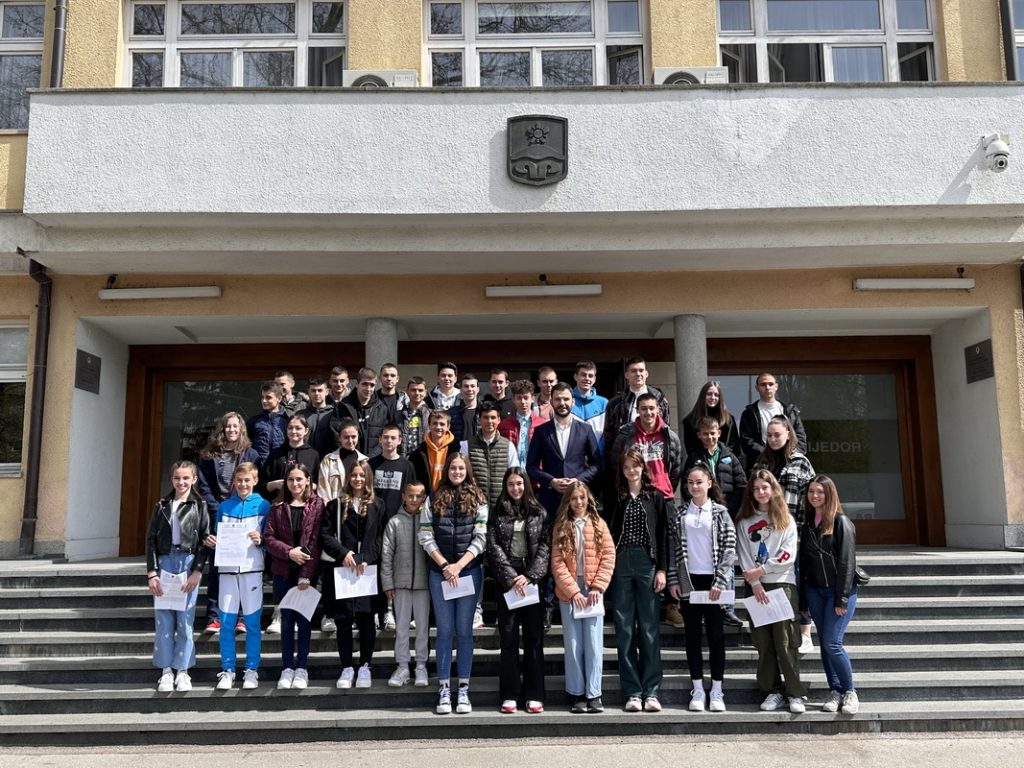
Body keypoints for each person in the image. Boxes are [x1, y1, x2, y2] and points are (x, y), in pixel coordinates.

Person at [418, 452, 488, 715]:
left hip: (468, 572)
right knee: (445, 632)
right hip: (441, 574)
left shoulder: (479, 498)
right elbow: (425, 535)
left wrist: (459, 566)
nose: (457, 472)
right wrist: (446, 565)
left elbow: (481, 537)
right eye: (453, 468)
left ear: (467, 470)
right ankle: (444, 688)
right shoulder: (434, 497)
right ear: (446, 470)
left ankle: (464, 689)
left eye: (461, 468)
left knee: (465, 632)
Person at [736, 468, 806, 714]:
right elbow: (743, 554)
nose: (760, 492)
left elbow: (788, 554)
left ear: (773, 489)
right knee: (763, 642)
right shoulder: (744, 522)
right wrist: (755, 583)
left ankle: (794, 692)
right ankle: (772, 690)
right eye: (756, 489)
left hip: (782, 584)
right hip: (755, 588)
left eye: (765, 487)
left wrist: (763, 570)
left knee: (785, 641)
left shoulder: (786, 519)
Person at [667, 463, 736, 713]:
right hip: (689, 581)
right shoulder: (680, 514)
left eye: (699, 482)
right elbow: (672, 549)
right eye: (690, 483)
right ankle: (697, 689)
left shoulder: (720, 512)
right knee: (693, 637)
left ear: (709, 483)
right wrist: (673, 579)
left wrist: (721, 580)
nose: (694, 486)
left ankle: (716, 689)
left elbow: (729, 547)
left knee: (716, 637)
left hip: (714, 582)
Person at [608, 449, 668, 713]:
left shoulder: (655, 497)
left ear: (643, 468)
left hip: (647, 562)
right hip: (621, 562)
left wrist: (662, 570)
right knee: (624, 629)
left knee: (649, 627)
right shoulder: (616, 496)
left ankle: (651, 690)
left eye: (635, 466)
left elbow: (664, 535)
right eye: (626, 467)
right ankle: (632, 690)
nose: (631, 471)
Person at [487, 467, 551, 714]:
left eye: (519, 484)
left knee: (534, 639)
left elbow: (545, 546)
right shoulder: (497, 513)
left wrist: (531, 575)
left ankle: (535, 694)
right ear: (506, 486)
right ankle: (510, 694)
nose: (516, 488)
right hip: (508, 581)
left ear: (526, 485)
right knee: (509, 638)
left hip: (532, 579)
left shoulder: (539, 512)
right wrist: (511, 578)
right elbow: (493, 547)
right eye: (511, 484)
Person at [145, 460, 211, 693]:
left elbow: (205, 539)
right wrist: (152, 572)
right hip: (165, 562)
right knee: (164, 619)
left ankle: (182, 669)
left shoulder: (200, 505)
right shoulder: (162, 505)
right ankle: (166, 670)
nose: (181, 482)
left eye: (185, 478)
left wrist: (198, 570)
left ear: (193, 479)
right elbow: (151, 539)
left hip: (188, 563)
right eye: (177, 478)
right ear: (171, 479)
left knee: (185, 619)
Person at [551, 480, 615, 714]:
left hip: (593, 591)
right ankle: (577, 693)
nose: (578, 502)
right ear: (568, 502)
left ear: (588, 500)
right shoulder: (561, 526)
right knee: (574, 644)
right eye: (574, 498)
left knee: (594, 644)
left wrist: (597, 587)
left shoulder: (599, 524)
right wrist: (573, 591)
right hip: (570, 592)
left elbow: (608, 555)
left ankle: (594, 693)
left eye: (582, 498)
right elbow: (557, 562)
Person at [320, 460, 383, 690]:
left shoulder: (378, 505)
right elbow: (325, 536)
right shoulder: (335, 505)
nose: (358, 479)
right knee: (344, 621)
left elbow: (381, 538)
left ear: (368, 478)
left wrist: (366, 557)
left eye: (362, 475)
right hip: (343, 570)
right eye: (354, 475)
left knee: (367, 620)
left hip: (366, 570)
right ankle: (347, 666)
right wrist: (344, 553)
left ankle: (365, 665)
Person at [800, 475, 860, 715]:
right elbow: (804, 565)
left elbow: (847, 562)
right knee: (825, 644)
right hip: (814, 592)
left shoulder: (841, 521)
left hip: (838, 591)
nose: (815, 496)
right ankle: (835, 690)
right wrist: (803, 600)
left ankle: (850, 691)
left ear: (829, 494)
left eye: (820, 492)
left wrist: (841, 598)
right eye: (811, 491)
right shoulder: (807, 524)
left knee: (832, 643)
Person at [755, 414, 816, 652]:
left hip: (795, 534)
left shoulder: (801, 462)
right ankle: (775, 633)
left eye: (777, 435)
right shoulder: (762, 463)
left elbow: (812, 498)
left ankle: (805, 632)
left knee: (798, 582)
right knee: (772, 583)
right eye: (769, 435)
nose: (772, 439)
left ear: (788, 434)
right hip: (767, 536)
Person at [263, 463, 325, 690]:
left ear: (308, 480)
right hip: (283, 570)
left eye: (299, 479)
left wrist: (306, 574)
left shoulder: (317, 504)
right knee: (287, 621)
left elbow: (316, 540)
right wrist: (289, 552)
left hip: (307, 572)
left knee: (304, 621)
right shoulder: (277, 506)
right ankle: (287, 667)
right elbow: (269, 538)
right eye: (291, 479)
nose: (295, 483)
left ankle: (302, 668)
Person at [197, 411, 259, 635]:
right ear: (222, 430)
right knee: (218, 569)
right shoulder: (209, 455)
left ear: (241, 428)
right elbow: (203, 485)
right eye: (228, 426)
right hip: (218, 515)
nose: (231, 430)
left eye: (235, 426)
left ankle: (242, 616)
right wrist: (216, 507)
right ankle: (214, 618)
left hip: (243, 515)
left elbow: (254, 484)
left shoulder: (251, 454)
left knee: (242, 567)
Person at [682, 415, 747, 627]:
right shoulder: (694, 457)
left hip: (724, 513)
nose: (709, 437)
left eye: (713, 433)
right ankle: (705, 606)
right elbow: (686, 485)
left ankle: (727, 608)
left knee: (726, 558)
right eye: (705, 434)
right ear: (699, 435)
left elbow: (742, 484)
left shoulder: (729, 456)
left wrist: (729, 509)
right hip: (703, 513)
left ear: (719, 433)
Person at [211, 462, 269, 690]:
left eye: (247, 480)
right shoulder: (225, 506)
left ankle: (252, 669)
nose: (243, 484)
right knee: (226, 623)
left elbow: (270, 538)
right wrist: (213, 541)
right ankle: (227, 669)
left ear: (255, 481)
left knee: (252, 623)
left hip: (252, 570)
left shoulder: (263, 505)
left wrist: (261, 540)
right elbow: (217, 534)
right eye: (239, 480)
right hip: (227, 570)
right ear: (233, 482)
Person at [381, 481, 431, 688]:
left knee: (422, 628)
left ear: (424, 498)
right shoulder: (394, 522)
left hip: (424, 584)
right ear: (403, 496)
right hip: (400, 584)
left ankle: (421, 665)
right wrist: (387, 582)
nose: (414, 500)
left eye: (418, 496)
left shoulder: (428, 521)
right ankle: (402, 666)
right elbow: (386, 554)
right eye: (410, 496)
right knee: (401, 628)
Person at [527, 382, 601, 518]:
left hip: (578, 500)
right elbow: (531, 467)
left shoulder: (585, 430)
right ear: (551, 402)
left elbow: (596, 464)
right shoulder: (541, 431)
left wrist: (578, 480)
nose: (562, 403)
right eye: (558, 399)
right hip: (549, 501)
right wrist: (551, 481)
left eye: (566, 399)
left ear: (573, 401)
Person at [369, 424, 417, 631]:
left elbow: (411, 494)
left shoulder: (407, 466)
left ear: (400, 440)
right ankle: (375, 611)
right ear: (380, 439)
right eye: (386, 437)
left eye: (393, 438)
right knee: (376, 567)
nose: (389, 441)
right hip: (374, 524)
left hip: (398, 523)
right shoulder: (371, 464)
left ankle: (391, 611)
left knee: (394, 568)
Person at [602, 357, 671, 457]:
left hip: (655, 455)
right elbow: (608, 436)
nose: (638, 374)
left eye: (641, 370)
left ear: (646, 373)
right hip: (626, 457)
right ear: (626, 375)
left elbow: (666, 429)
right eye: (634, 371)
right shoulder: (615, 403)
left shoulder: (659, 399)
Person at [738, 372, 807, 467]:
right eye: (763, 384)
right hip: (761, 463)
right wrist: (767, 454)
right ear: (756, 388)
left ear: (776, 387)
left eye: (770, 384)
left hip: (788, 463)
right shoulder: (749, 413)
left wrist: (790, 455)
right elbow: (746, 441)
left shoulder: (790, 411)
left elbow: (800, 439)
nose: (767, 387)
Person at [259, 413, 320, 498]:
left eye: (298, 428)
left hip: (305, 502)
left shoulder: (313, 455)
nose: (293, 431)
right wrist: (274, 484)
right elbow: (262, 485)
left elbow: (319, 485)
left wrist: (308, 484)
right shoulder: (276, 454)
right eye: (290, 428)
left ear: (306, 430)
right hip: (279, 502)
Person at [334, 367, 390, 458]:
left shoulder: (381, 409)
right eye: (365, 384)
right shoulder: (343, 407)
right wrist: (354, 457)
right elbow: (336, 436)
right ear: (357, 384)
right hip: (349, 460)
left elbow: (385, 436)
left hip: (374, 460)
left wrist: (369, 458)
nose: (368, 389)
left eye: (372, 385)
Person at [682, 380, 743, 460]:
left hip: (725, 462)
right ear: (703, 396)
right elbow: (690, 448)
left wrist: (723, 459)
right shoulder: (690, 420)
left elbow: (735, 447)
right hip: (700, 462)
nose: (713, 397)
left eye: (716, 395)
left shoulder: (729, 420)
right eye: (709, 394)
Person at [317, 418, 367, 505]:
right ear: (339, 438)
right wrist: (331, 509)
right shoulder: (328, 460)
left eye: (353, 437)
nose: (350, 441)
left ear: (358, 436)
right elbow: (323, 490)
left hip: (359, 509)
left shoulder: (365, 461)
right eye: (346, 437)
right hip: (335, 509)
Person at [498, 379, 546, 467]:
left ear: (532, 398)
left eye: (526, 398)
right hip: (511, 471)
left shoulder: (542, 424)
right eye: (519, 398)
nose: (523, 402)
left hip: (535, 472)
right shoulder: (504, 425)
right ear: (513, 399)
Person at [409, 409, 456, 494]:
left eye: (442, 424)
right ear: (429, 425)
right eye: (435, 423)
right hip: (426, 497)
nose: (438, 427)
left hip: (450, 496)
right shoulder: (418, 453)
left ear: (448, 426)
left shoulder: (456, 449)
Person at [247, 381, 289, 468]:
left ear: (279, 399)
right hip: (258, 467)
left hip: (280, 467)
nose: (264, 401)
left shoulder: (287, 420)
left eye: (268, 397)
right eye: (262, 397)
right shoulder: (254, 421)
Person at [570, 361, 608, 453]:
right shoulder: (567, 401)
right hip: (573, 457)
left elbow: (608, 433)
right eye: (583, 375)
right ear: (575, 376)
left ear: (594, 379)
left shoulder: (604, 403)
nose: (587, 378)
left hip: (598, 456)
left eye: (590, 376)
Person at [301, 375, 336, 458]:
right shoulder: (301, 415)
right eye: (313, 390)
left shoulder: (334, 414)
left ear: (327, 392)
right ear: (308, 392)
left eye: (320, 390)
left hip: (329, 459)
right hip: (306, 459)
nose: (317, 393)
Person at [396, 376, 431, 457]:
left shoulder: (431, 415)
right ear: (407, 391)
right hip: (403, 458)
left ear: (425, 392)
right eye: (413, 390)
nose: (417, 393)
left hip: (424, 458)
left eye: (420, 390)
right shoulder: (398, 415)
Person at [448, 372, 481, 443]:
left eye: (472, 386)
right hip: (458, 449)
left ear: (478, 389)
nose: (469, 389)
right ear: (460, 390)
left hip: (479, 449)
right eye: (466, 386)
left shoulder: (484, 411)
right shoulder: (451, 413)